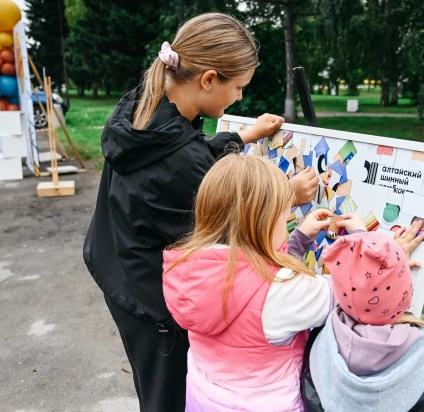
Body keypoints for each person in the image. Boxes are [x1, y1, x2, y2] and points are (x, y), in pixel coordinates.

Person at [82, 13, 318, 412]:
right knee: (167, 395)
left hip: (117, 263)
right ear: (208, 79)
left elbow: (183, 144)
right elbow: (231, 220)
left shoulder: (144, 102)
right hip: (154, 301)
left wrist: (242, 136)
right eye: (238, 87)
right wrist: (285, 196)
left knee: (153, 383)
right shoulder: (183, 163)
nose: (240, 98)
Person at [163, 155, 336, 412]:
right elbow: (348, 293)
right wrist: (378, 249)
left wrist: (298, 240)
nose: (287, 220)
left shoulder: (187, 267)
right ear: (264, 222)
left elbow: (251, 277)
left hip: (204, 400)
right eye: (284, 215)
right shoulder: (286, 289)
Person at [300, 214, 424, 412]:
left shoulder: (319, 337)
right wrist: (386, 259)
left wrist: (367, 250)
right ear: (405, 295)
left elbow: (357, 289)